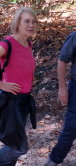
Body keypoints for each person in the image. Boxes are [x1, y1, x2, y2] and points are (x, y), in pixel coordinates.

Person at [0, 7, 38, 166]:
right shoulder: (7, 44)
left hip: (23, 102)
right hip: (10, 101)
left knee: (12, 143)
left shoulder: (28, 44)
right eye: (26, 21)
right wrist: (1, 84)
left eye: (33, 22)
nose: (31, 25)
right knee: (19, 147)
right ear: (17, 23)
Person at [44, 30, 76, 166]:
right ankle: (54, 160)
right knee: (71, 126)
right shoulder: (75, 36)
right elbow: (62, 60)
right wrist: (62, 88)